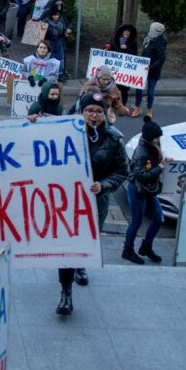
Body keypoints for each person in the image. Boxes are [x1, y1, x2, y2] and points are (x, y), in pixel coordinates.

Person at [55, 93, 128, 315]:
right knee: (68, 246)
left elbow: (123, 171)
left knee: (87, 239)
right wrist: (34, 122)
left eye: (98, 111)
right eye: (89, 111)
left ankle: (82, 264)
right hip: (69, 200)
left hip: (97, 200)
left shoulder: (114, 139)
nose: (93, 116)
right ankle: (66, 292)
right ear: (82, 113)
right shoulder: (67, 133)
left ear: (104, 114)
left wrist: (104, 185)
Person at [123, 119, 168, 265]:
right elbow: (141, 175)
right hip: (138, 189)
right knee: (136, 221)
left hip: (146, 189)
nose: (159, 139)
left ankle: (146, 246)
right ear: (152, 137)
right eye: (157, 137)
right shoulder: (142, 152)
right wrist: (160, 167)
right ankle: (128, 250)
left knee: (158, 218)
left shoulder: (152, 146)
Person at [132, 22, 167, 118]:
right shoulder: (150, 38)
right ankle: (137, 107)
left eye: (151, 29)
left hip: (153, 70)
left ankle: (149, 110)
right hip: (143, 68)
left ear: (155, 31)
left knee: (150, 91)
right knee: (138, 88)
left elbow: (162, 58)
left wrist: (151, 67)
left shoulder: (160, 43)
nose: (149, 30)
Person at [109, 23, 139, 105]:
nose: (126, 34)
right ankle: (114, 103)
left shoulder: (132, 42)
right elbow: (109, 49)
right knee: (115, 88)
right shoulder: (115, 40)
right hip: (116, 69)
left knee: (124, 89)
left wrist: (127, 48)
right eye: (125, 32)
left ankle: (123, 105)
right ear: (122, 32)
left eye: (128, 33)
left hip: (126, 71)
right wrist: (105, 48)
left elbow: (135, 54)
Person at [43, 4, 71, 80]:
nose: (56, 17)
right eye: (54, 15)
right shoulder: (46, 21)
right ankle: (48, 75)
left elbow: (64, 29)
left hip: (59, 42)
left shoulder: (61, 20)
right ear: (51, 15)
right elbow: (41, 31)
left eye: (57, 15)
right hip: (49, 42)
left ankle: (60, 75)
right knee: (49, 60)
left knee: (61, 60)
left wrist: (66, 32)